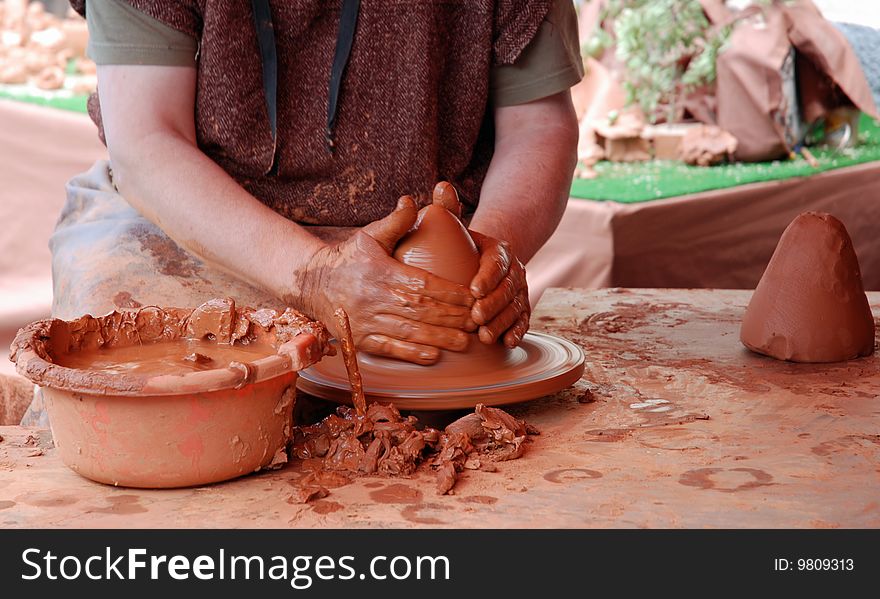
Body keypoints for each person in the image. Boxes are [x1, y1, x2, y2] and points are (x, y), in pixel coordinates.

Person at [21, 0, 582, 423]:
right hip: (188, 217)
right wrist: (312, 274)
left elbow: (538, 126)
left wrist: (487, 253)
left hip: (409, 240)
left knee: (452, 421)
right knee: (145, 395)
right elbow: (146, 140)